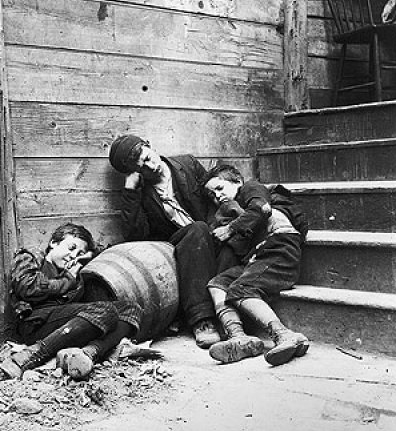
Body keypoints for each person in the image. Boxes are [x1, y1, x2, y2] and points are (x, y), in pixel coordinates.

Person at [0, 223, 157, 380]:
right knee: (104, 310)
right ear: (54, 243)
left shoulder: (75, 273)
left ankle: (89, 352)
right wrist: (67, 279)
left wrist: (88, 258)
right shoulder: (31, 257)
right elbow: (28, 287)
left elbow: (97, 252)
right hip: (34, 321)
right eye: (71, 247)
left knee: (130, 308)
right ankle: (29, 356)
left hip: (65, 324)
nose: (73, 255)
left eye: (79, 253)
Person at [108, 135, 223, 349]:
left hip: (216, 233)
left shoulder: (187, 165)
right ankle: (202, 321)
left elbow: (216, 193)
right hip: (183, 246)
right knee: (196, 231)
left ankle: (224, 317)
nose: (152, 165)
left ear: (150, 146)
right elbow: (136, 235)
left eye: (148, 157)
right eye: (142, 166)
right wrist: (130, 192)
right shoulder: (143, 194)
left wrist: (220, 227)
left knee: (201, 229)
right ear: (135, 172)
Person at [202, 164, 310, 366]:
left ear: (237, 181)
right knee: (217, 284)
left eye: (220, 188)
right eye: (212, 195)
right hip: (259, 256)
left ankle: (284, 335)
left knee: (241, 289)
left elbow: (262, 209)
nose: (217, 196)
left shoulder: (251, 188)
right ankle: (239, 337)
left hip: (280, 250)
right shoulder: (233, 210)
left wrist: (230, 229)